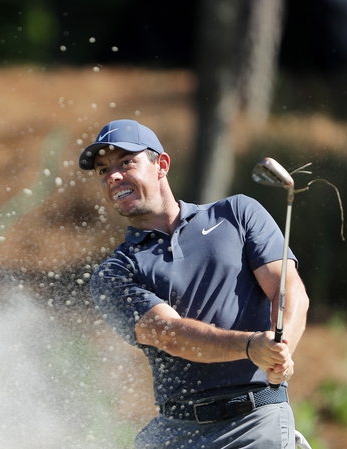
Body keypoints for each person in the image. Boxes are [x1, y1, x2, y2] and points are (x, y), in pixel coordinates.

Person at [80, 119, 309, 448]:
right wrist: (251, 346)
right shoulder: (115, 272)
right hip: (176, 430)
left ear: (161, 165)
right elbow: (170, 335)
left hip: (254, 420)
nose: (113, 176)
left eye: (125, 162)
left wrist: (281, 347)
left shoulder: (237, 214)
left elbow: (288, 289)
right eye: (102, 170)